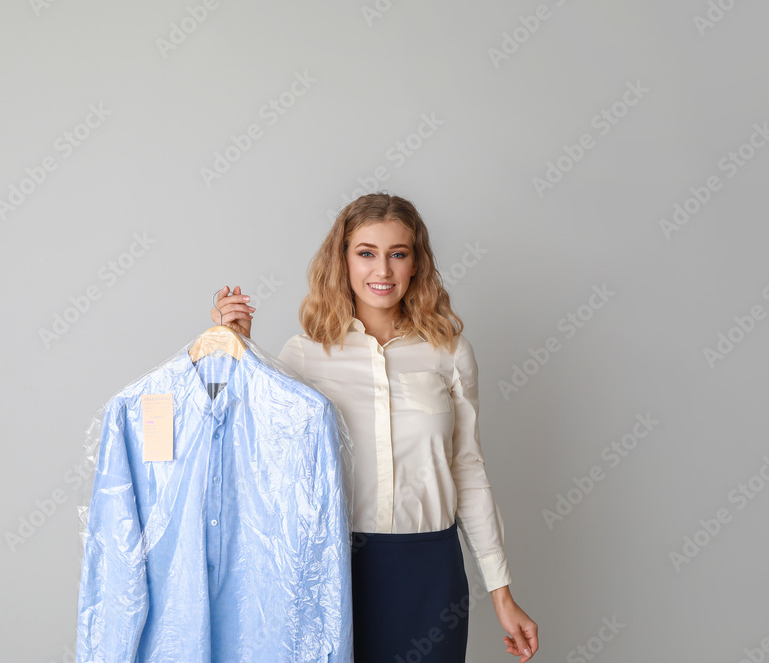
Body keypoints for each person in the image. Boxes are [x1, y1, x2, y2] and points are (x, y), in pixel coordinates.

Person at [210, 193, 538, 662]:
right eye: (366, 253)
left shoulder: (450, 351)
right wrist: (236, 351)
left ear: (416, 264)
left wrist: (501, 593)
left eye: (397, 254)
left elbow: (467, 471)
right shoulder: (304, 355)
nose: (382, 271)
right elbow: (253, 454)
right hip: (333, 568)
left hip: (431, 571)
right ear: (342, 260)